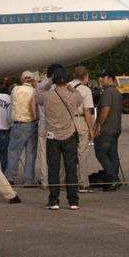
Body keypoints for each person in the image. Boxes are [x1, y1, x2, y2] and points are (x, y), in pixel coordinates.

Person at [41, 67, 82, 209]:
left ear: (55, 80)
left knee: (53, 169)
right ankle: (73, 200)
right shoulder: (73, 96)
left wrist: (49, 82)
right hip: (69, 135)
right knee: (71, 168)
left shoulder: (47, 96)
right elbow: (79, 95)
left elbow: (37, 93)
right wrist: (70, 86)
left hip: (53, 136)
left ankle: (54, 200)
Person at [5, 71, 37, 185]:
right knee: (31, 152)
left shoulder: (15, 90)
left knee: (14, 151)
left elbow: (13, 102)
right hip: (31, 123)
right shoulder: (34, 91)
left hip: (18, 124)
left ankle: (10, 177)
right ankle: (28, 179)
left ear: (22, 79)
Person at [69, 66, 96, 192]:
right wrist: (91, 128)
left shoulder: (65, 87)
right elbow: (87, 110)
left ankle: (64, 179)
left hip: (67, 121)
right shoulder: (85, 90)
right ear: (84, 76)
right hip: (80, 120)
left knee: (67, 151)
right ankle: (83, 182)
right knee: (82, 152)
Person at [93, 72, 123, 185]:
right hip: (116, 128)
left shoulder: (107, 93)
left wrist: (98, 124)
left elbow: (105, 109)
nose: (100, 79)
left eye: (103, 77)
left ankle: (113, 178)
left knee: (100, 153)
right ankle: (112, 178)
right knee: (112, 154)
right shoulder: (117, 92)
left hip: (106, 129)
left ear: (110, 78)